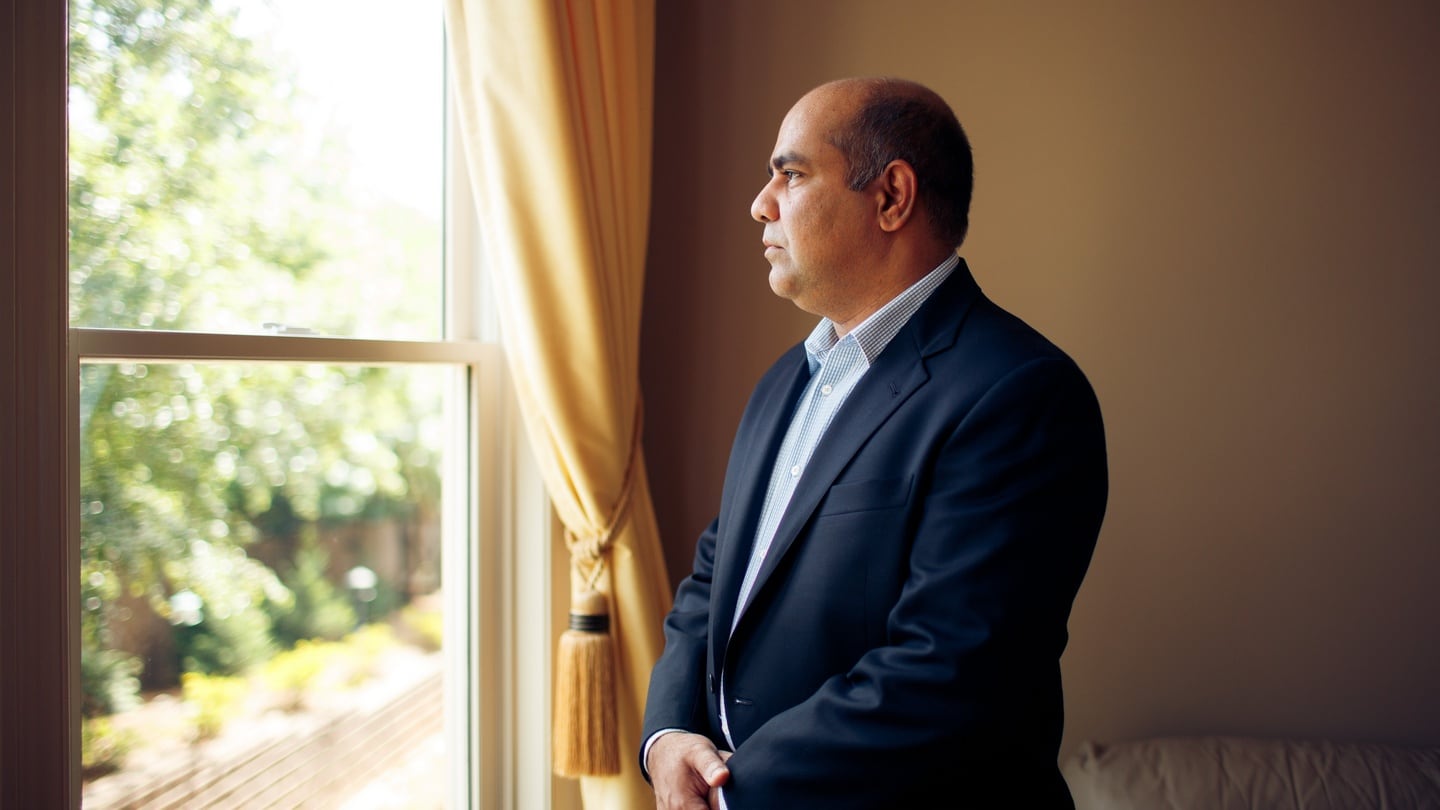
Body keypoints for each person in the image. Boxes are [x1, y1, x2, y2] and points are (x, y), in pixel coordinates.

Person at [640, 77, 1108, 810]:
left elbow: (951, 673)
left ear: (891, 196)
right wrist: (667, 737)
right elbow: (713, 581)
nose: (760, 204)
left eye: (789, 174)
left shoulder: (1021, 394)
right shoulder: (782, 385)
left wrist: (734, 791)